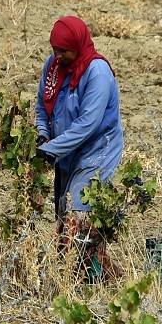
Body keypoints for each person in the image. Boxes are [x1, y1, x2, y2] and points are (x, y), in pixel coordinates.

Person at [35, 16, 124, 281]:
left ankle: (72, 280)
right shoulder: (53, 68)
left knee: (77, 215)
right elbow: (42, 106)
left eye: (63, 50)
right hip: (67, 153)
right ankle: (101, 277)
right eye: (54, 49)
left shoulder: (97, 72)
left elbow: (88, 124)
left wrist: (52, 148)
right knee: (66, 217)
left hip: (97, 152)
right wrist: (42, 136)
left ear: (77, 45)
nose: (58, 55)